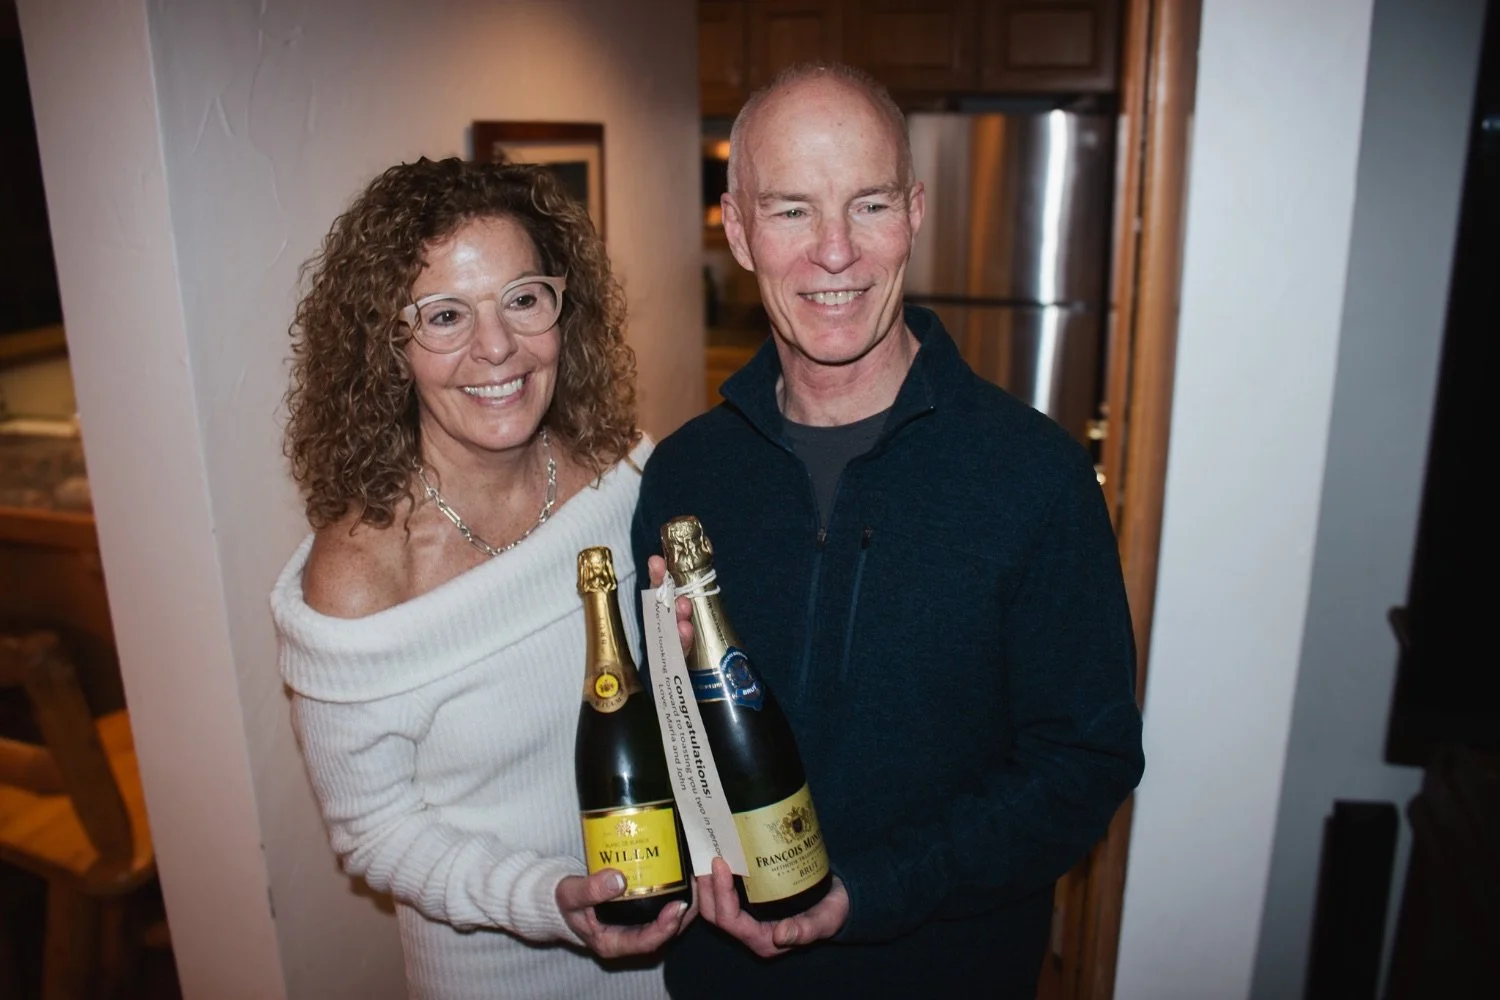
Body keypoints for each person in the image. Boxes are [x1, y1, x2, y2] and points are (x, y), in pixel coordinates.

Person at [632, 63, 1145, 998]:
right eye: (790, 211)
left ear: (914, 211)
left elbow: (1082, 765)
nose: (835, 253)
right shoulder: (685, 475)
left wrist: (865, 892)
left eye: (867, 205)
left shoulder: (1036, 477)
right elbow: (664, 735)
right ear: (737, 229)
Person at [271, 156, 692, 1000]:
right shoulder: (360, 578)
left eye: (523, 299)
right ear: (387, 344)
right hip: (504, 972)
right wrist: (542, 899)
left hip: (684, 949)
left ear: (563, 307)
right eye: (445, 315)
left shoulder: (627, 474)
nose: (496, 347)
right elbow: (375, 834)